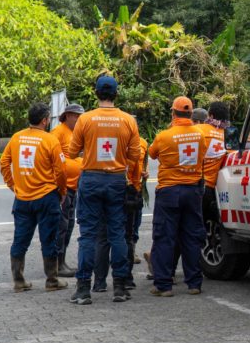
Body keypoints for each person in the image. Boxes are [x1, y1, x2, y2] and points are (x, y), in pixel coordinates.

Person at [68, 75, 141, 305]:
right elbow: (136, 155)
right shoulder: (128, 120)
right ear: (116, 94)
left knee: (88, 235)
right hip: (116, 180)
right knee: (117, 233)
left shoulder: (85, 119)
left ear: (96, 93)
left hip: (90, 179)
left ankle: (82, 290)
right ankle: (119, 287)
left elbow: (71, 152)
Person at [0, 102, 68, 293]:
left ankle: (19, 281)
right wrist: (62, 192)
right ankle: (52, 281)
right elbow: (61, 171)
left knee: (20, 239)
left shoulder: (16, 138)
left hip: (22, 200)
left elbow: (4, 163)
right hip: (46, 198)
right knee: (49, 239)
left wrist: (13, 185)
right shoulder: (50, 140)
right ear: (45, 120)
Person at [148, 96, 209, 297]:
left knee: (165, 237)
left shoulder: (164, 136)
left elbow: (152, 154)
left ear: (173, 113)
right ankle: (194, 284)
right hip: (192, 191)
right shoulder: (200, 135)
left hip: (168, 191)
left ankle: (164, 285)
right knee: (191, 237)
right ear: (191, 114)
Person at [92, 125, 148, 292]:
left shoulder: (101, 140)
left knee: (103, 238)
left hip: (104, 189)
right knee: (126, 237)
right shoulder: (140, 142)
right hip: (128, 192)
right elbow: (138, 168)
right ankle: (125, 280)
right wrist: (137, 188)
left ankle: (99, 282)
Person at [49, 103, 85, 277]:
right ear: (68, 115)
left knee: (69, 224)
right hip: (62, 189)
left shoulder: (76, 133)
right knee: (61, 226)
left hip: (74, 187)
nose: (79, 120)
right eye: (76, 116)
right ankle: (56, 263)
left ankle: (61, 261)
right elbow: (51, 158)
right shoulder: (58, 133)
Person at [195, 102, 231, 229]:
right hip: (210, 189)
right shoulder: (227, 135)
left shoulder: (199, 130)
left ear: (210, 115)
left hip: (194, 185)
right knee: (201, 226)